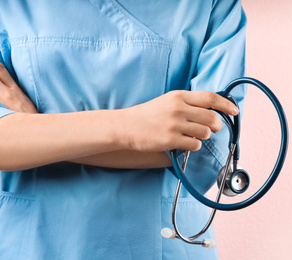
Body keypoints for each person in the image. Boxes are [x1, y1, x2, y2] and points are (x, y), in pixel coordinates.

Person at [0, 1, 247, 259]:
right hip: (31, 243)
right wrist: (132, 127)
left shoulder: (212, 5)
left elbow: (206, 149)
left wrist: (34, 126)